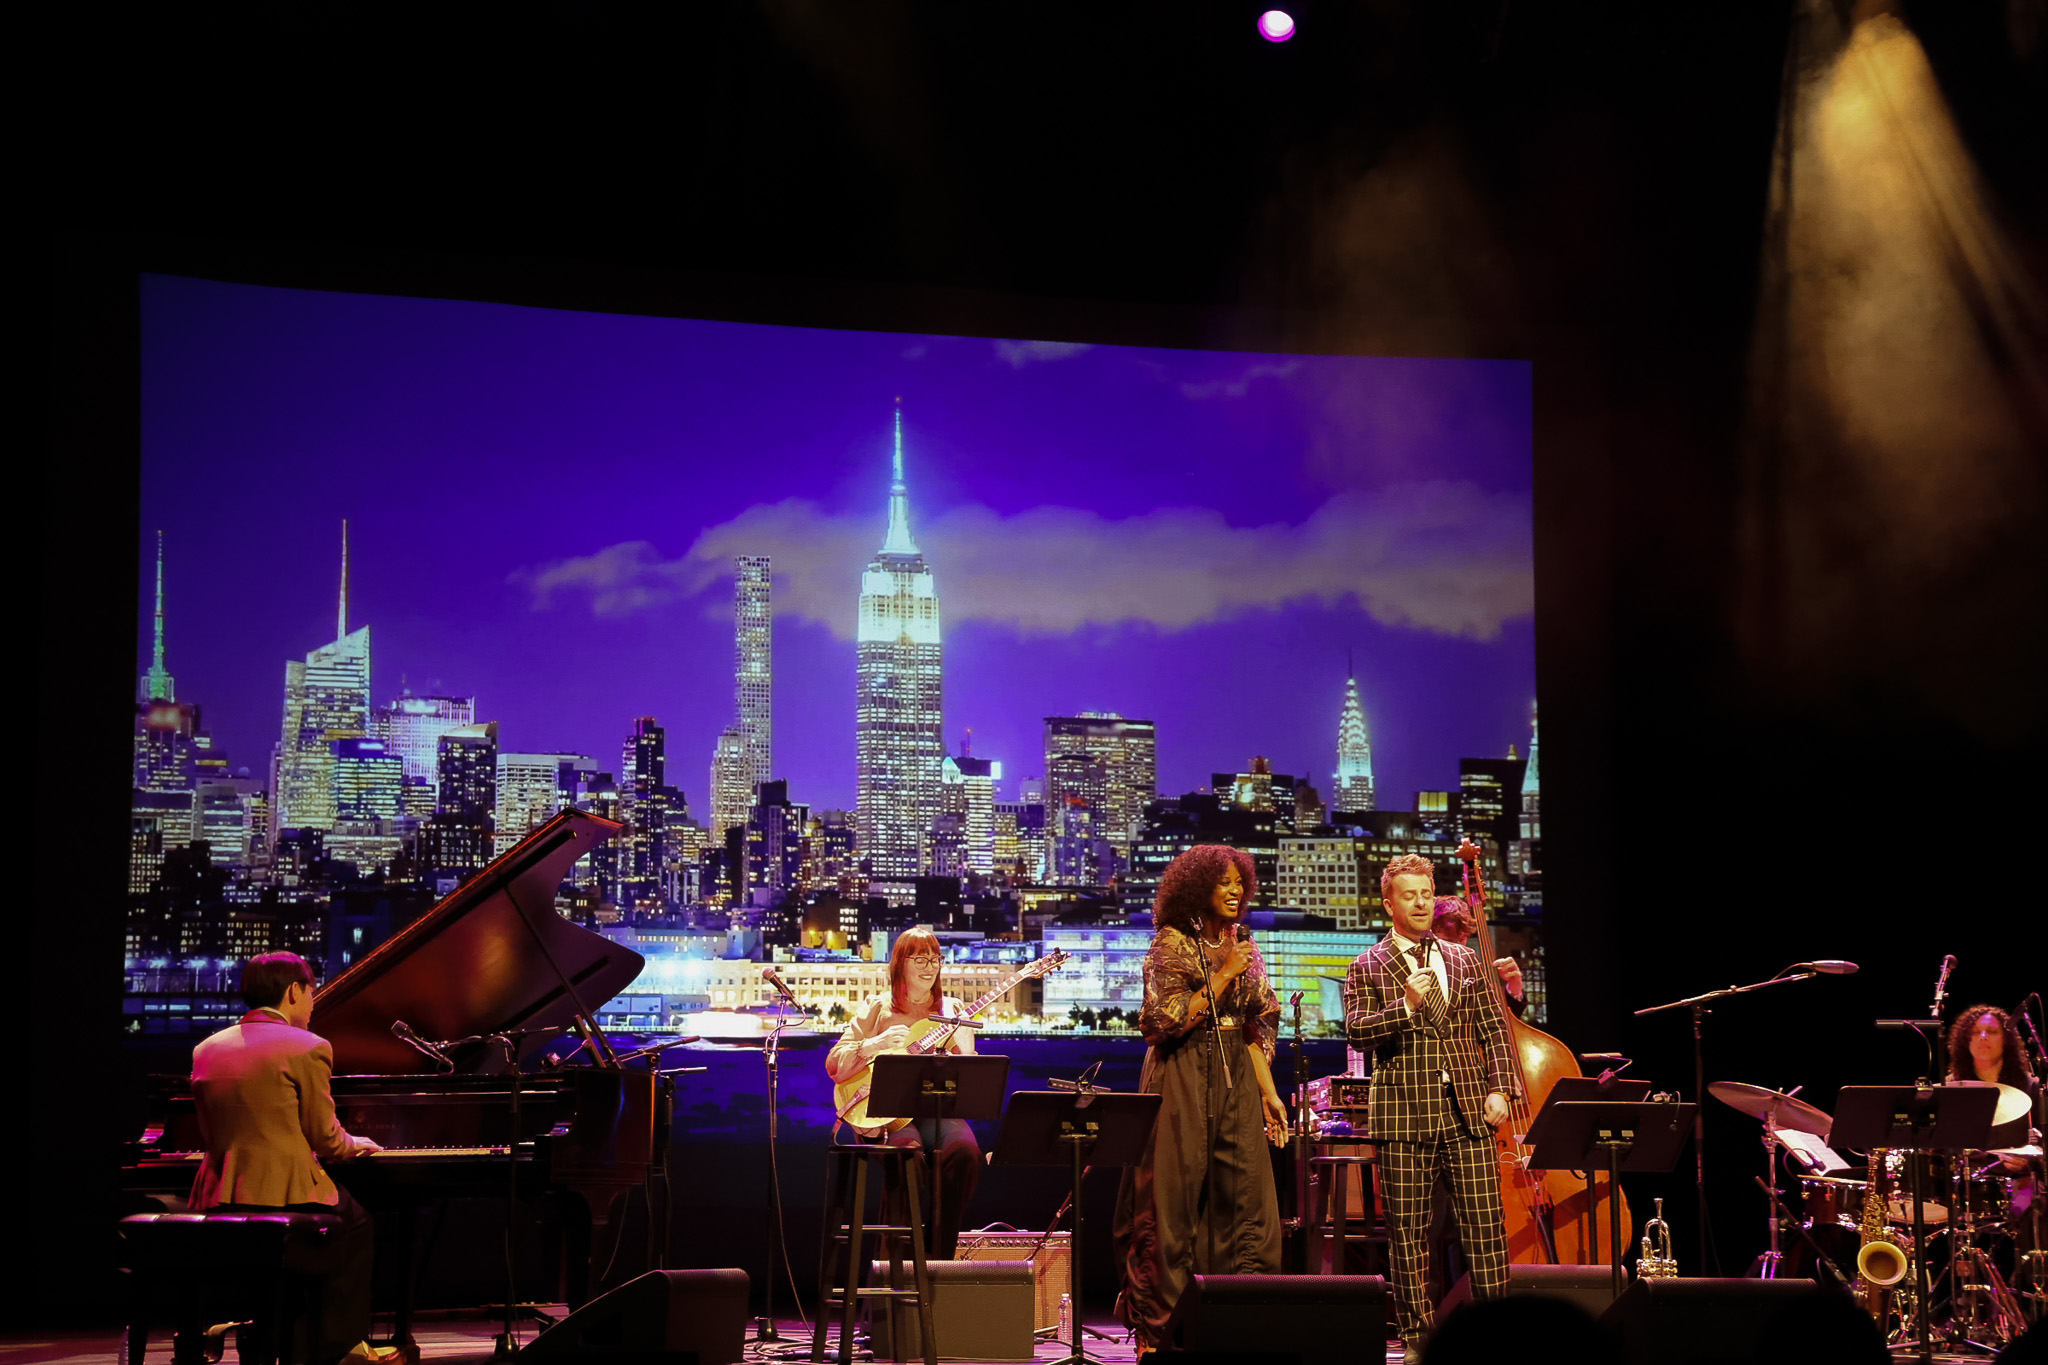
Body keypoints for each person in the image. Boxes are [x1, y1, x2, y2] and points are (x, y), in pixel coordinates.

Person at [1344, 854, 1518, 1364]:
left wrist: (1501, 1089)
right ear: (1388, 904)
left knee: (1486, 1233)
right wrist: (1405, 1008)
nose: (1420, 902)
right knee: (1410, 1238)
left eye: (1426, 893)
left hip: (1469, 1114)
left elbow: (1495, 1029)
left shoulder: (1464, 960)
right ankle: (1419, 1341)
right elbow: (1356, 1029)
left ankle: (1497, 1337)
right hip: (1404, 1118)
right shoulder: (1368, 965)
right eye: (1409, 895)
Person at [1114, 844, 1287, 1352]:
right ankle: (1159, 1335)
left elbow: (1257, 1022)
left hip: (1235, 1068)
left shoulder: (1241, 944)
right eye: (1224, 882)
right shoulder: (1171, 944)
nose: (1235, 891)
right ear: (1197, 888)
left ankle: (1240, 1325)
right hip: (1182, 1072)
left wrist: (1269, 1093)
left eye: (1240, 882)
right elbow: (1160, 1023)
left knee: (1249, 1205)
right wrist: (1226, 972)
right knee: (1170, 1206)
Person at [190, 952, 392, 1365]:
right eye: (312, 991)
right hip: (282, 1193)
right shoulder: (308, 1046)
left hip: (218, 1193)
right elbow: (327, 1139)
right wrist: (359, 1143)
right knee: (357, 1225)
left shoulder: (206, 1048)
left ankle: (284, 1338)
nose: (314, 1002)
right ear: (295, 990)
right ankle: (336, 1346)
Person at [826, 925, 982, 1258]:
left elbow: (970, 1077)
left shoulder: (950, 1011)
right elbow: (834, 1065)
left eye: (935, 959)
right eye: (921, 960)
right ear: (901, 964)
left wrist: (966, 1049)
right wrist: (873, 1045)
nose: (930, 967)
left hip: (933, 1110)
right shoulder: (878, 1007)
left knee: (965, 1154)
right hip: (885, 1113)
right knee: (907, 1159)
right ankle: (892, 1274)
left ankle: (939, 1261)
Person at [1421, 895, 1524, 1307]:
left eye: (1467, 935)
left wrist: (1513, 989)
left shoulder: (1472, 969)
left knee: (1477, 1229)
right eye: (1454, 934)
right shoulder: (1415, 964)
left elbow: (1503, 1032)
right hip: (1433, 1107)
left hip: (1480, 1109)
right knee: (1433, 1225)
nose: (1463, 943)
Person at [1946, 1003, 2042, 1240]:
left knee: (2031, 1207)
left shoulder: (2030, 1086)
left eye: (1992, 1031)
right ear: (1965, 1042)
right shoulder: (1951, 1087)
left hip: (2019, 1180)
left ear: (2006, 1039)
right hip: (1967, 1181)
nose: (1983, 1037)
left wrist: (2028, 1161)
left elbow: (2042, 1140)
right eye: (1976, 1032)